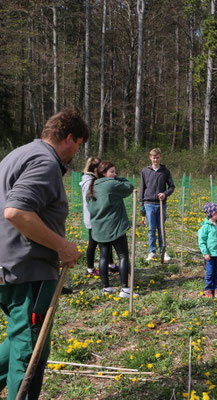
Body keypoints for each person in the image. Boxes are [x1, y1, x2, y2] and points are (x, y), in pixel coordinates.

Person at [0, 109, 88, 399]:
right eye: (78, 144)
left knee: (19, 338)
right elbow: (16, 211)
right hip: (28, 272)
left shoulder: (16, 155)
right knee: (29, 351)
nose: (77, 152)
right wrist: (62, 246)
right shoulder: (45, 162)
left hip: (7, 266)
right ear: (68, 137)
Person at [87, 161, 136, 298]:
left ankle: (106, 288)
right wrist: (118, 179)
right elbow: (129, 186)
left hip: (99, 227)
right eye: (112, 172)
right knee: (123, 256)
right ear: (104, 173)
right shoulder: (111, 184)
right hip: (115, 226)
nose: (115, 174)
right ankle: (125, 289)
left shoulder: (93, 185)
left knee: (103, 256)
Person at [80, 157, 116, 276]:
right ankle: (90, 268)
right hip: (94, 218)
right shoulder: (89, 182)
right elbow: (92, 201)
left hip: (96, 217)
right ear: (95, 169)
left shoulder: (91, 179)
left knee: (107, 240)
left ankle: (111, 264)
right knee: (94, 243)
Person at [139, 148, 175, 262]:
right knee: (151, 229)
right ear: (150, 158)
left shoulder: (165, 171)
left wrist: (164, 194)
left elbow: (171, 187)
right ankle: (152, 251)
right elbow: (142, 188)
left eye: (158, 157)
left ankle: (163, 251)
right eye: (154, 157)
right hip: (149, 204)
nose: (156, 159)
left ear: (160, 158)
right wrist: (141, 204)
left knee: (161, 228)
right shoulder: (145, 171)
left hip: (161, 204)